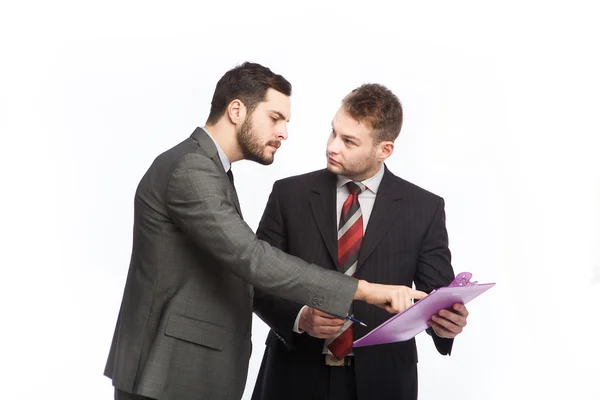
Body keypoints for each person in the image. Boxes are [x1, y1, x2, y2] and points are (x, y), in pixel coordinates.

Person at [104, 63, 426, 400]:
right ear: (237, 110)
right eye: (275, 118)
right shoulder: (192, 169)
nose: (284, 132)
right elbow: (252, 258)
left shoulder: (211, 169)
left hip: (183, 369)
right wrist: (366, 291)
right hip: (168, 370)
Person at [251, 83, 470, 400]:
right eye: (333, 133)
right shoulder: (289, 195)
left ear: (384, 150)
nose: (332, 147)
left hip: (383, 381)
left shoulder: (424, 208)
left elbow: (433, 296)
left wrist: (446, 322)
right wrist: (300, 317)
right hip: (293, 375)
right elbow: (257, 281)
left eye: (349, 141)